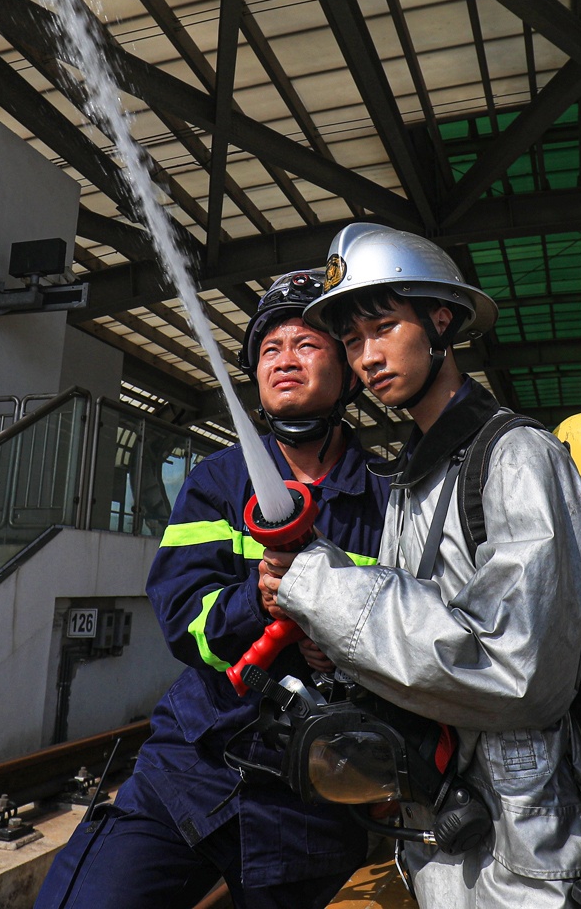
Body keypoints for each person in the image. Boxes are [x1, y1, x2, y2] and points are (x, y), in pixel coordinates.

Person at [260, 224, 581, 908]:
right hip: (446, 831)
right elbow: (422, 624)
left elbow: (519, 670)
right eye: (352, 341)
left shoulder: (517, 459)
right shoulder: (414, 478)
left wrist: (318, 585)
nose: (367, 357)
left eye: (384, 328)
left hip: (527, 848)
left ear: (441, 322)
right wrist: (340, 645)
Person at [34, 269, 392, 909]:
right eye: (269, 349)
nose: (284, 360)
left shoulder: (390, 501)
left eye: (306, 344)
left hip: (316, 797)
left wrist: (344, 649)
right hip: (194, 764)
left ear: (347, 369)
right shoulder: (218, 482)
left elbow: (416, 632)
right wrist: (257, 600)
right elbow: (181, 619)